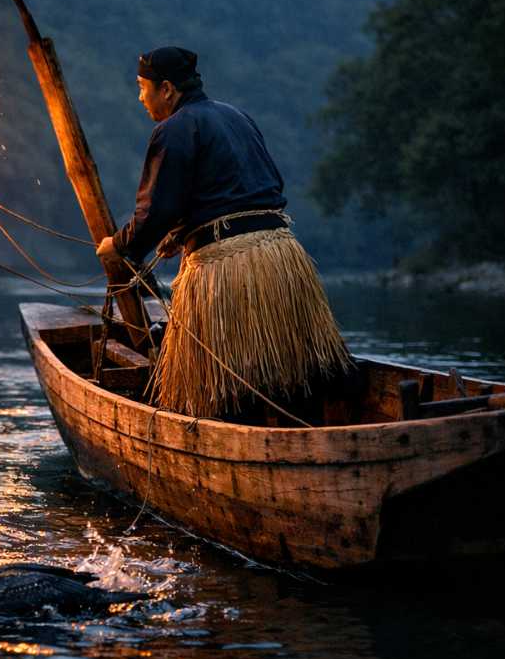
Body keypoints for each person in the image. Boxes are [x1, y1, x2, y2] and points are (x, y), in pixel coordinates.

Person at [96, 46, 351, 420]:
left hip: (225, 268)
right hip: (281, 257)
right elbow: (240, 190)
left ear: (166, 89)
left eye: (142, 86)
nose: (140, 97)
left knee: (209, 391)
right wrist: (183, 233)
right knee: (292, 373)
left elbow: (156, 210)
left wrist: (119, 245)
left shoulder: (173, 130)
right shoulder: (237, 117)